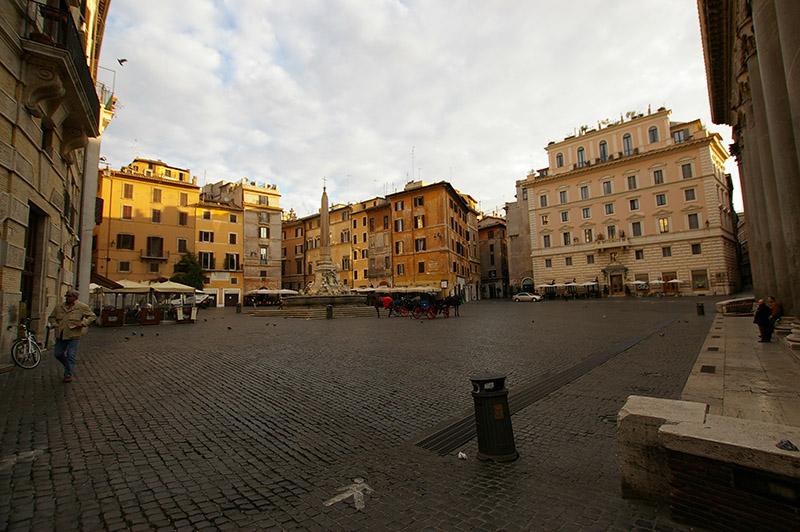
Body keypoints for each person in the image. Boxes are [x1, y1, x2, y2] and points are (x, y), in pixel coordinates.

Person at [48, 290, 96, 382]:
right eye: (67, 296)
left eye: (70, 296)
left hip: (74, 335)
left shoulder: (81, 307)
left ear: (75, 297)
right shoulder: (59, 307)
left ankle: (68, 374)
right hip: (60, 334)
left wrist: (83, 323)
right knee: (58, 354)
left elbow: (92, 316)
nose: (67, 298)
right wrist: (54, 324)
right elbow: (51, 317)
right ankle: (68, 365)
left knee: (71, 355)